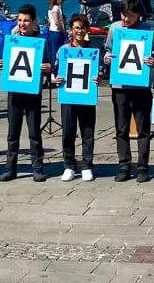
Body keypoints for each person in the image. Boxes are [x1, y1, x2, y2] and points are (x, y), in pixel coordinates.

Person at [101, 0, 154, 182]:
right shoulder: (115, 29)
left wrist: (152, 60)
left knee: (143, 129)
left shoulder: (147, 30)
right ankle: (124, 165)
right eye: (123, 15)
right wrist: (107, 58)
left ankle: (142, 167)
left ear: (138, 15)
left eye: (129, 16)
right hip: (120, 86)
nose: (125, 19)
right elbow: (107, 49)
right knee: (121, 128)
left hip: (141, 86)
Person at [0, 4, 51, 182]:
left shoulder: (41, 42)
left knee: (34, 133)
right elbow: (2, 61)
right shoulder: (10, 40)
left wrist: (48, 67)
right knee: (12, 133)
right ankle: (10, 168)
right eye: (20, 20)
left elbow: (50, 64)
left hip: (32, 93)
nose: (22, 24)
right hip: (14, 92)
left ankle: (37, 167)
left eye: (26, 21)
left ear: (33, 22)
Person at [54, 14, 97, 182]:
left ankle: (87, 165)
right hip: (68, 95)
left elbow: (98, 72)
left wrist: (98, 78)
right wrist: (55, 79)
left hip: (86, 96)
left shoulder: (92, 51)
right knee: (68, 131)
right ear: (71, 30)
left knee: (87, 131)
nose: (79, 31)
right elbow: (56, 71)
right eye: (76, 28)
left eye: (82, 28)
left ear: (87, 29)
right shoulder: (63, 50)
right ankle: (69, 165)